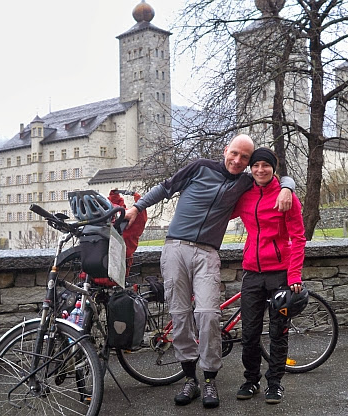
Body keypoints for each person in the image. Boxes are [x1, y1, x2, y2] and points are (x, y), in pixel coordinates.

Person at [125, 134, 295, 409]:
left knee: (207, 315)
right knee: (180, 314)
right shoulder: (200, 167)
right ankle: (190, 379)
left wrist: (288, 186)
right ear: (226, 150)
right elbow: (165, 188)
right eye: (235, 154)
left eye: (244, 158)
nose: (238, 160)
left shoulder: (245, 180)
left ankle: (209, 380)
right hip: (175, 247)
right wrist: (137, 206)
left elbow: (273, 177)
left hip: (207, 253)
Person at [231, 147, 306, 404]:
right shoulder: (245, 195)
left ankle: (274, 384)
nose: (260, 170)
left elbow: (298, 238)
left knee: (278, 332)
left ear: (273, 168)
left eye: (265, 165)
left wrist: (294, 274)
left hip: (280, 274)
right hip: (252, 273)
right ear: (250, 169)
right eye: (255, 165)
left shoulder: (287, 197)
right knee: (250, 333)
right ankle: (251, 380)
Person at [108, 189, 147, 277]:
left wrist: (114, 196)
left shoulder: (107, 218)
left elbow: (114, 207)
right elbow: (141, 217)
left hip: (93, 267)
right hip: (118, 270)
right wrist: (139, 202)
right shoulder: (132, 224)